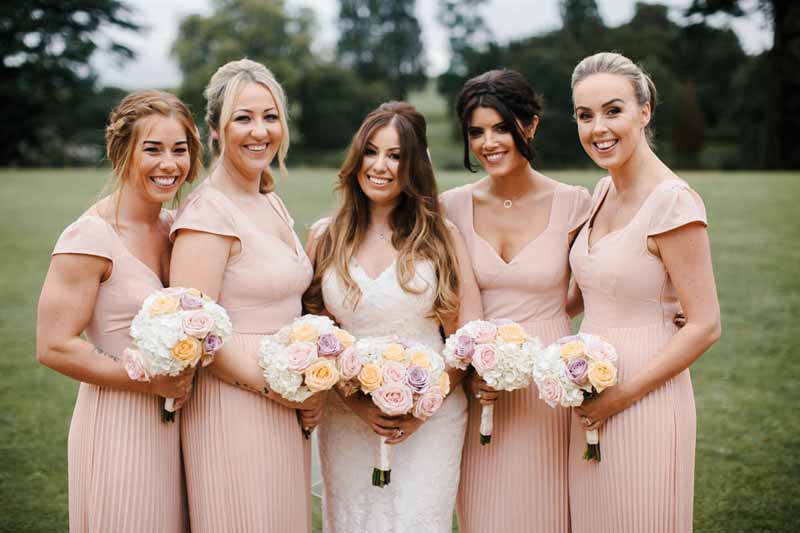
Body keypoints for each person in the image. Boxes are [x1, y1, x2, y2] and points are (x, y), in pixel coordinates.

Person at [304, 101, 482, 532]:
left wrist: (422, 406)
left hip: (432, 419)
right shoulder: (325, 236)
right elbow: (313, 336)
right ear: (356, 158)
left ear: (413, 165)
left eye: (395, 155)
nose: (380, 166)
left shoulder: (441, 237)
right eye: (371, 152)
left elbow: (464, 338)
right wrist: (357, 402)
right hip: (347, 419)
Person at [568, 52, 721, 532]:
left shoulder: (673, 203)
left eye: (613, 111)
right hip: (590, 390)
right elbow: (580, 294)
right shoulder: (601, 192)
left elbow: (705, 324)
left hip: (645, 397)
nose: (598, 128)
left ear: (645, 110)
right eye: (584, 115)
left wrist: (620, 397)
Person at [36, 90, 202, 532]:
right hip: (118, 424)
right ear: (121, 152)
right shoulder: (90, 236)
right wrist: (148, 381)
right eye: (153, 149)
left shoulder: (177, 230)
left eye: (179, 149)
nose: (169, 164)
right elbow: (53, 346)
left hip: (181, 427)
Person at [169, 59, 319, 532]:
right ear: (215, 129)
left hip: (284, 403)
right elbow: (196, 335)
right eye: (243, 118)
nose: (260, 131)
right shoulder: (207, 213)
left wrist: (307, 384)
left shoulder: (269, 199)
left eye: (270, 117)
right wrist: (281, 390)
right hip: (232, 407)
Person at [439, 69, 592, 533]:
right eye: (477, 132)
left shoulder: (574, 202)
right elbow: (445, 301)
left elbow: (600, 287)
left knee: (548, 511)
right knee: (486, 513)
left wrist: (666, 308)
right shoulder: (451, 206)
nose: (489, 143)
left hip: (551, 385)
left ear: (530, 125)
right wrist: (469, 367)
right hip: (478, 382)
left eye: (502, 127)